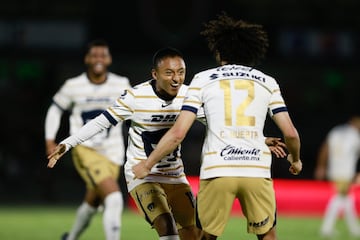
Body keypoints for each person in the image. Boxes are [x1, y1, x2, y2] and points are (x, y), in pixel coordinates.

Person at [132, 12, 303, 240]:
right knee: (268, 235)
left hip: (217, 168)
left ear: (219, 52)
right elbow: (290, 133)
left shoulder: (203, 79)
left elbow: (178, 133)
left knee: (206, 237)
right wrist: (296, 159)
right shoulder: (267, 81)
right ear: (251, 52)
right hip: (256, 169)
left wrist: (147, 164)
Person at [47, 47, 201, 240]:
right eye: (169, 73)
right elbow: (100, 122)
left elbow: (216, 121)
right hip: (143, 175)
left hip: (175, 175)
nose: (176, 78)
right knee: (167, 227)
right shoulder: (135, 97)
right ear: (155, 74)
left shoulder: (190, 96)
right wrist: (68, 144)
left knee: (192, 234)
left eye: (181, 72)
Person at [44, 39, 131, 240]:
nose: (98, 59)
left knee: (94, 199)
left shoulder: (121, 84)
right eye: (94, 55)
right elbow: (55, 110)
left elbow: (132, 114)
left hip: (113, 153)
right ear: (87, 59)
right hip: (86, 150)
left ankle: (71, 237)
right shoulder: (73, 86)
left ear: (109, 59)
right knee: (114, 197)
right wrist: (50, 139)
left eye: (103, 55)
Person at [314, 115, 360, 237]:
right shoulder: (354, 135)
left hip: (334, 170)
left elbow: (325, 148)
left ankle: (354, 229)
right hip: (346, 171)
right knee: (340, 197)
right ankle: (326, 228)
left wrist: (321, 167)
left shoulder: (336, 131)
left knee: (346, 199)